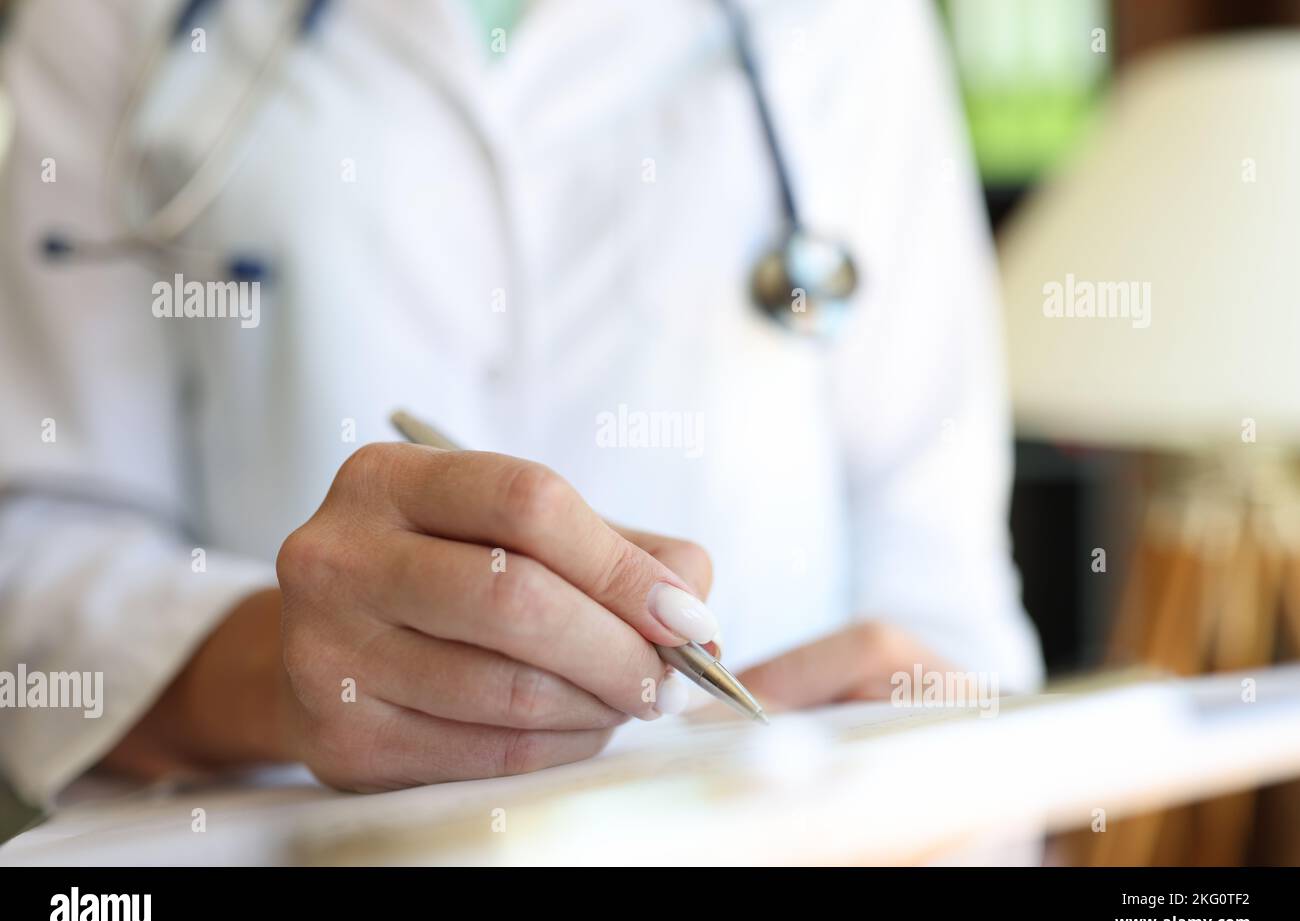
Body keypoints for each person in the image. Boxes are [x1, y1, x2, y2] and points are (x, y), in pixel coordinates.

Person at [0, 0, 1043, 804]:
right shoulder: (107, 19)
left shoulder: (849, 27)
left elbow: (944, 594)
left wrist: (943, 793)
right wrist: (276, 671)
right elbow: (32, 555)